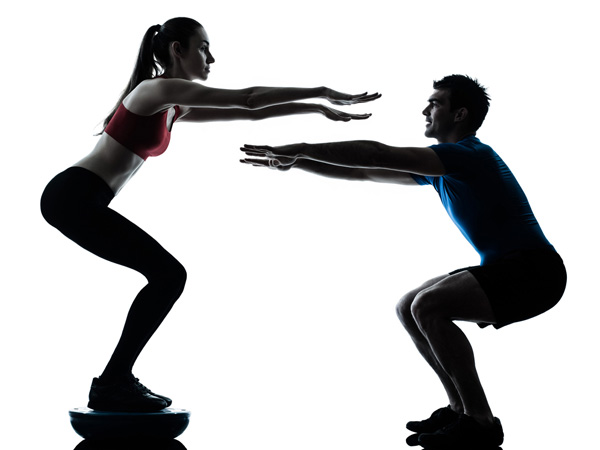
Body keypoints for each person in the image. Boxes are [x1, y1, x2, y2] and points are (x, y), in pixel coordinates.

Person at [40, 17, 380, 413]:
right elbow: (248, 98)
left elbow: (249, 112)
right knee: (168, 275)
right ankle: (114, 381)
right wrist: (320, 91)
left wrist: (314, 108)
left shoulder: (172, 104)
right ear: (177, 50)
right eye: (203, 48)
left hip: (83, 197)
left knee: (166, 276)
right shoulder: (156, 90)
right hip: (74, 195)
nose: (211, 58)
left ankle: (115, 380)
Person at [240, 74, 566, 448]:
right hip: (511, 268)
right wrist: (298, 162)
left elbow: (375, 154)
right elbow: (365, 171)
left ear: (459, 114)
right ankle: (459, 409)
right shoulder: (442, 170)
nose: (425, 110)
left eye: (435, 103)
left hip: (535, 272)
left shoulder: (469, 155)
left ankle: (480, 421)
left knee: (429, 305)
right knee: (408, 306)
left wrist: (301, 147)